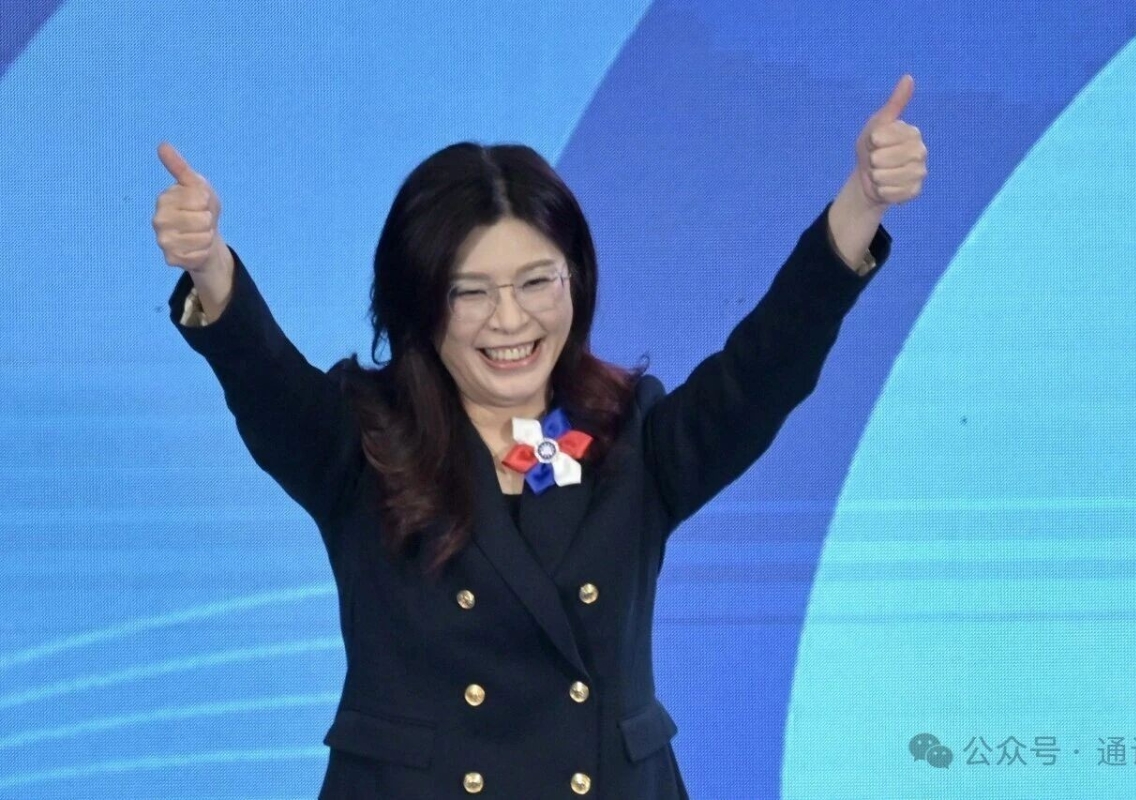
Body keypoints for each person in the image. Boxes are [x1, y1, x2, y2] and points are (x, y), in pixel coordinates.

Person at [153, 75, 927, 799]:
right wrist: (211, 266)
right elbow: (263, 376)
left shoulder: (629, 434)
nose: (511, 320)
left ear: (575, 280)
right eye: (471, 293)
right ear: (419, 304)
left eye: (537, 282)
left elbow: (763, 371)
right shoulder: (361, 440)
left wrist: (860, 205)